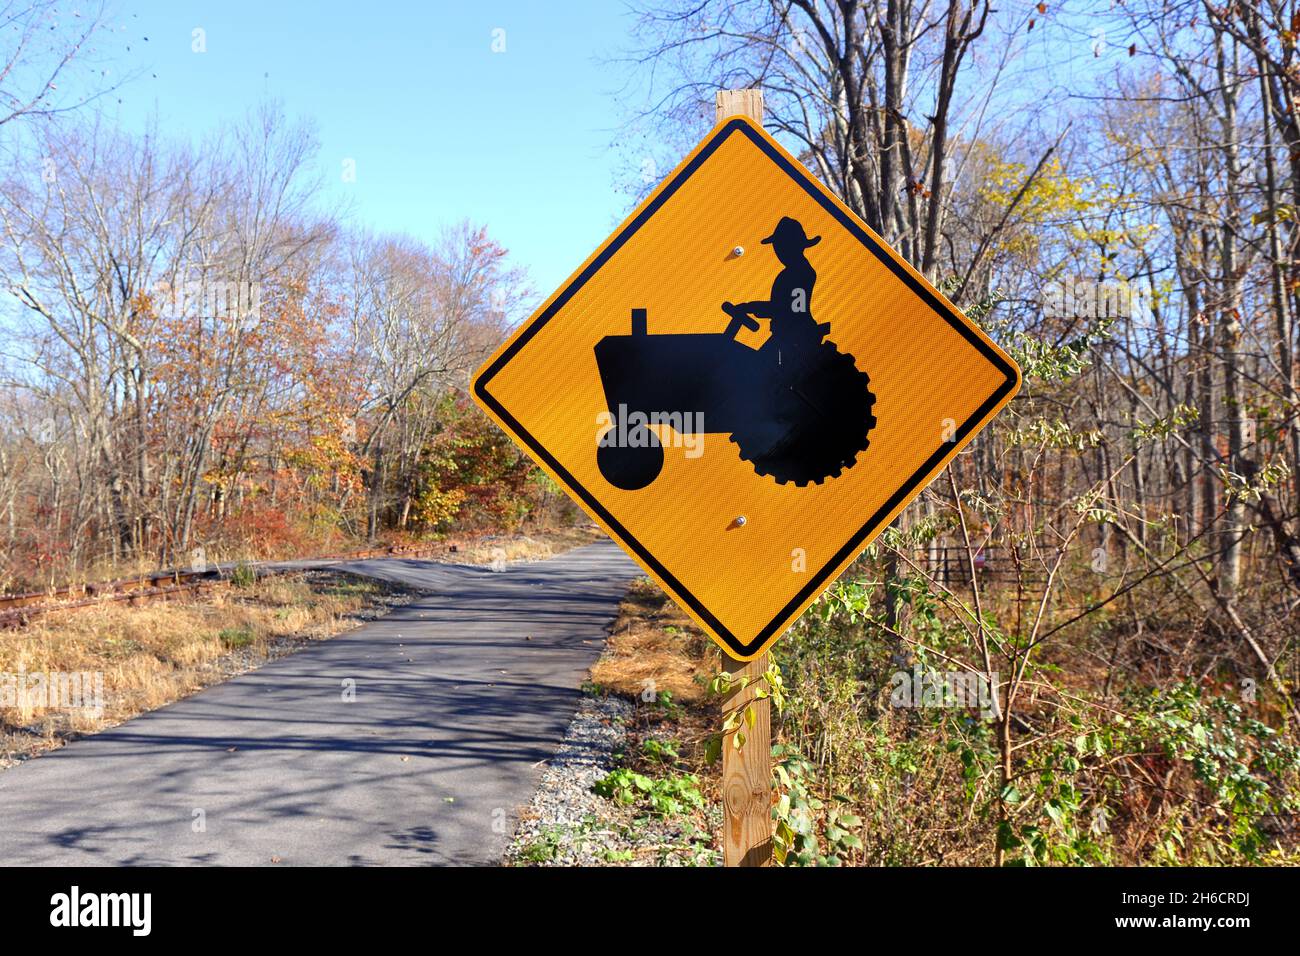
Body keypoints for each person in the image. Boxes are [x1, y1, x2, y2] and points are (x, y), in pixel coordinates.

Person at [723, 217, 827, 351]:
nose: (778, 251)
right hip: (787, 334)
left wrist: (749, 307)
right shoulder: (793, 272)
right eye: (776, 246)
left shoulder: (800, 273)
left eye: (781, 245)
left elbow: (789, 310)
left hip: (796, 338)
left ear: (794, 246)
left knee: (754, 366)